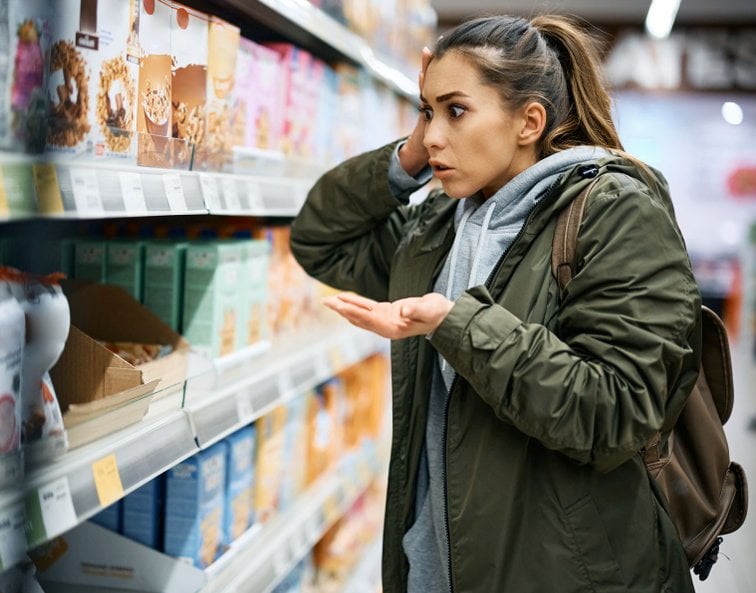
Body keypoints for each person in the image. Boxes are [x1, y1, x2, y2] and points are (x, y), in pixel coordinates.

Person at [290, 14, 701, 593]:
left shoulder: (615, 212)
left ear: (529, 121)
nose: (434, 135)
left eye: (456, 111)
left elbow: (617, 411)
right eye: (426, 111)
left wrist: (455, 323)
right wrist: (409, 156)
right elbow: (319, 239)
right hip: (435, 567)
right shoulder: (439, 226)